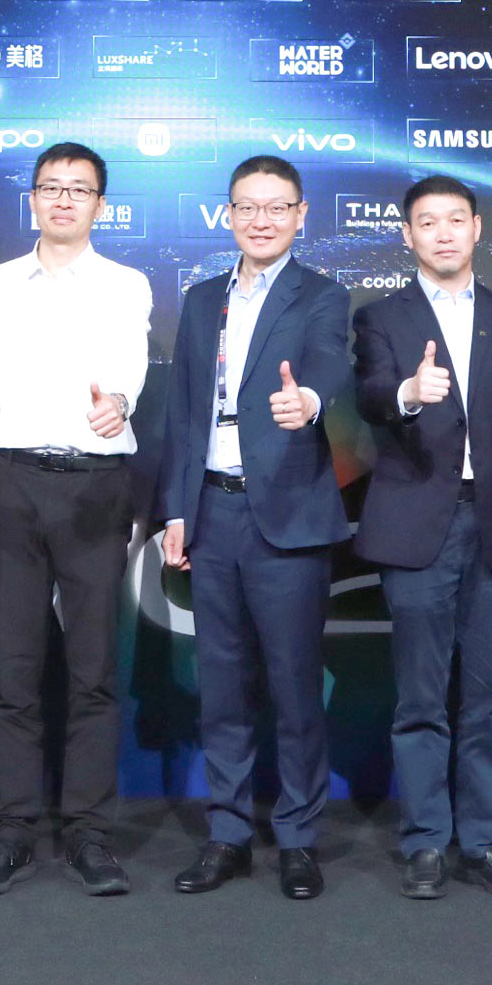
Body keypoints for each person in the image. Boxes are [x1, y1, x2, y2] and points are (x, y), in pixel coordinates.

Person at [353, 175, 492, 900]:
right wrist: (409, 393)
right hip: (417, 528)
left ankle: (487, 842)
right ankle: (424, 842)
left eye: (455, 220)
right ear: (407, 234)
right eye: (427, 221)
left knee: (490, 699)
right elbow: (370, 393)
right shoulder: (381, 316)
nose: (442, 232)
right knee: (419, 698)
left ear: (477, 228)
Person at [156, 156, 354, 900]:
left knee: (295, 687)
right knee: (222, 687)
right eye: (248, 206)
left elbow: (329, 361)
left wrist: (309, 400)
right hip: (212, 513)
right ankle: (229, 833)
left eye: (277, 207)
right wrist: (178, 509)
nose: (261, 219)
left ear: (301, 214)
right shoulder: (202, 298)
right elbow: (183, 412)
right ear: (229, 214)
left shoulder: (323, 294)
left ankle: (298, 837)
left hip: (288, 517)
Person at [0, 141, 153, 896]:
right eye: (52, 187)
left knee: (93, 669)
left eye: (80, 189)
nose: (64, 199)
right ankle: (11, 829)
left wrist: (121, 404)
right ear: (33, 198)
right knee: (13, 671)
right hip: (11, 483)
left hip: (95, 485)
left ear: (101, 204)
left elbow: (131, 367)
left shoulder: (126, 283)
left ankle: (88, 831)